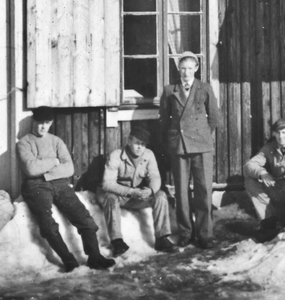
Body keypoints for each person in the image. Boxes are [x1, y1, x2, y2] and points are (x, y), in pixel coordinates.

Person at [17, 108, 114, 272]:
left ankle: (95, 256)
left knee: (82, 215)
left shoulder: (56, 141)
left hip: (60, 184)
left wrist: (46, 169)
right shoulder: (24, 142)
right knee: (46, 222)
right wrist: (54, 161)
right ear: (34, 122)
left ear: (51, 123)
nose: (43, 127)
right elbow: (31, 170)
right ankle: (68, 259)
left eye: (47, 123)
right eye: (40, 123)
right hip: (35, 185)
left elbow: (69, 168)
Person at [158, 54, 220, 249]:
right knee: (182, 191)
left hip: (202, 146)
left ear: (196, 68)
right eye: (183, 68)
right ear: (179, 69)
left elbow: (215, 118)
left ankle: (205, 234)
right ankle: (185, 232)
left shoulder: (205, 88)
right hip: (180, 145)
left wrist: (202, 134)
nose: (186, 72)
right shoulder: (169, 90)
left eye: (190, 68)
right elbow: (164, 120)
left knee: (203, 190)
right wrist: (175, 136)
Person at [96, 123, 177, 256]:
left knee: (161, 195)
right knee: (111, 198)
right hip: (114, 195)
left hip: (135, 195)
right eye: (137, 143)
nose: (140, 147)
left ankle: (162, 238)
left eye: (143, 144)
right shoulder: (116, 155)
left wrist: (150, 191)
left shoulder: (149, 155)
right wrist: (132, 192)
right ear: (129, 141)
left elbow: (155, 177)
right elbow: (107, 184)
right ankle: (117, 242)